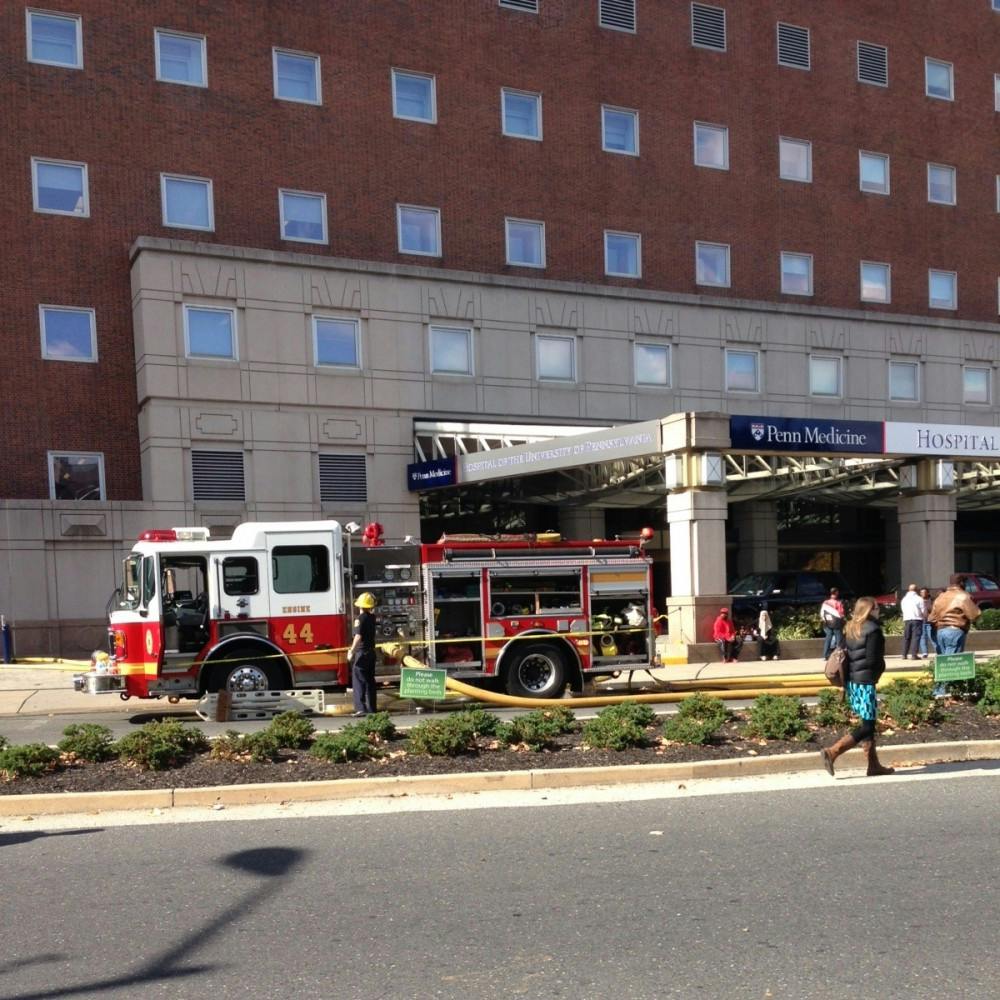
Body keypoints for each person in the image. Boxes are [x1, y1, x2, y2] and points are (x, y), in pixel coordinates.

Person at [819, 596, 894, 777]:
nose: (879, 610)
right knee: (867, 726)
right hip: (866, 681)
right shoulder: (874, 630)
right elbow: (872, 660)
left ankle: (873, 765)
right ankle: (833, 751)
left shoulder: (851, 628)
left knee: (867, 722)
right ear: (869, 609)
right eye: (876, 607)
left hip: (852, 681)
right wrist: (880, 669)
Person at [927, 575, 981, 655]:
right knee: (952, 663)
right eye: (965, 583)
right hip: (955, 631)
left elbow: (931, 618)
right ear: (961, 583)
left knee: (945, 662)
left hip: (940, 632)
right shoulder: (963, 596)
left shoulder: (940, 597)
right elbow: (975, 614)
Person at [348, 591, 378, 716]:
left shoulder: (360, 619)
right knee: (370, 680)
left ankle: (361, 708)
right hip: (371, 653)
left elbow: (358, 636)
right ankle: (372, 709)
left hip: (362, 653)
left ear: (359, 605)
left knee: (359, 680)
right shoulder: (372, 618)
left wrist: (351, 651)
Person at [899, 583, 924, 659]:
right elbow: (923, 611)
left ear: (909, 590)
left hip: (907, 619)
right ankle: (914, 655)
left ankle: (904, 654)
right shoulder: (919, 599)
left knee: (907, 637)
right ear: (916, 590)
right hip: (917, 619)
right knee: (915, 637)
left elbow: (903, 610)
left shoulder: (904, 599)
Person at [820, 587, 846, 659]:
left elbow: (822, 613)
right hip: (837, 623)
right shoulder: (838, 603)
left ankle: (825, 655)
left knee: (828, 638)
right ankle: (838, 655)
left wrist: (825, 620)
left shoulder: (825, 603)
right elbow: (841, 614)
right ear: (836, 593)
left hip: (828, 623)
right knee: (838, 639)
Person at [917, 587, 936, 659]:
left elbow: (934, 609)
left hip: (930, 621)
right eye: (921, 593)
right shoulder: (918, 600)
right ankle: (924, 653)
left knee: (932, 637)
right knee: (922, 637)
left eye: (924, 592)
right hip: (921, 621)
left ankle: (938, 651)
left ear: (928, 593)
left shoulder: (932, 600)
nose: (923, 594)